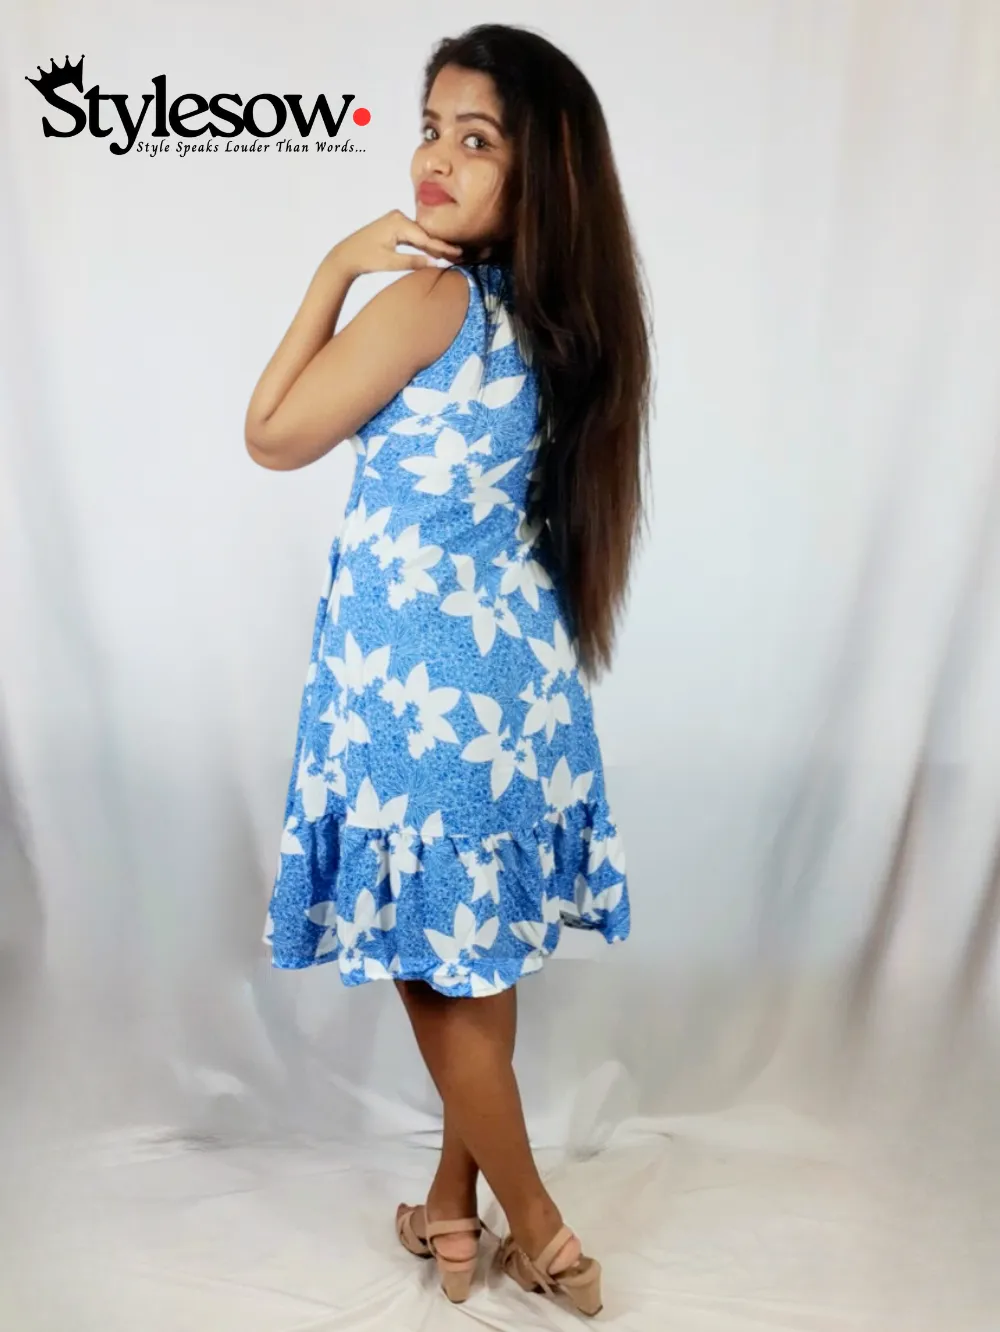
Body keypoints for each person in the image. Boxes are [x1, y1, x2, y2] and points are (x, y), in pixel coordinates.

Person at [245, 22, 652, 1318]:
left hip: (411, 689)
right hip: (510, 690)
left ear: (541, 177)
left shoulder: (430, 303)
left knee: (435, 967)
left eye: (477, 140)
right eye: (430, 127)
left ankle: (543, 1231)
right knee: (477, 958)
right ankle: (451, 1213)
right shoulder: (565, 325)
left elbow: (271, 433)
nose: (435, 158)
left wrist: (334, 267)